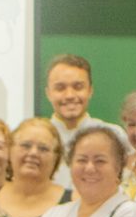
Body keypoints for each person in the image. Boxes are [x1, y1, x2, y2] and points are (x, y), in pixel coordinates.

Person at [44, 54, 126, 187]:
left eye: (78, 87)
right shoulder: (37, 139)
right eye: (60, 88)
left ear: (90, 90)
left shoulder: (114, 135)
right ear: (48, 93)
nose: (70, 95)